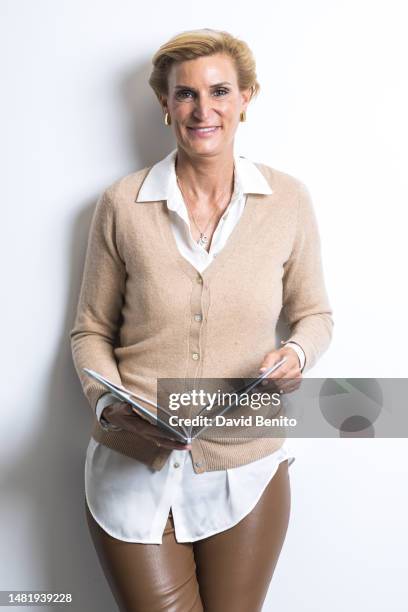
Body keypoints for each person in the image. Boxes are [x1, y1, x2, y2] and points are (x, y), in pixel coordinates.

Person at [70, 28, 334, 612]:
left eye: (219, 91)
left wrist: (295, 356)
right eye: (184, 94)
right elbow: (90, 330)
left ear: (246, 98)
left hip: (247, 461)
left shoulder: (288, 201)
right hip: (132, 460)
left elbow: (314, 314)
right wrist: (107, 404)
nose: (202, 109)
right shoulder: (121, 204)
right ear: (164, 104)